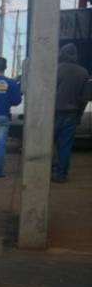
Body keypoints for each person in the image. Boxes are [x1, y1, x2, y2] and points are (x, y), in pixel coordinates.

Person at [52, 43, 90, 183]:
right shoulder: (83, 72)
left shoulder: (55, 70)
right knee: (65, 145)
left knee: (49, 142)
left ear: (62, 53)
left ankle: (49, 170)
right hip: (72, 113)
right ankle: (61, 175)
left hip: (54, 113)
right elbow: (84, 98)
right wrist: (79, 114)